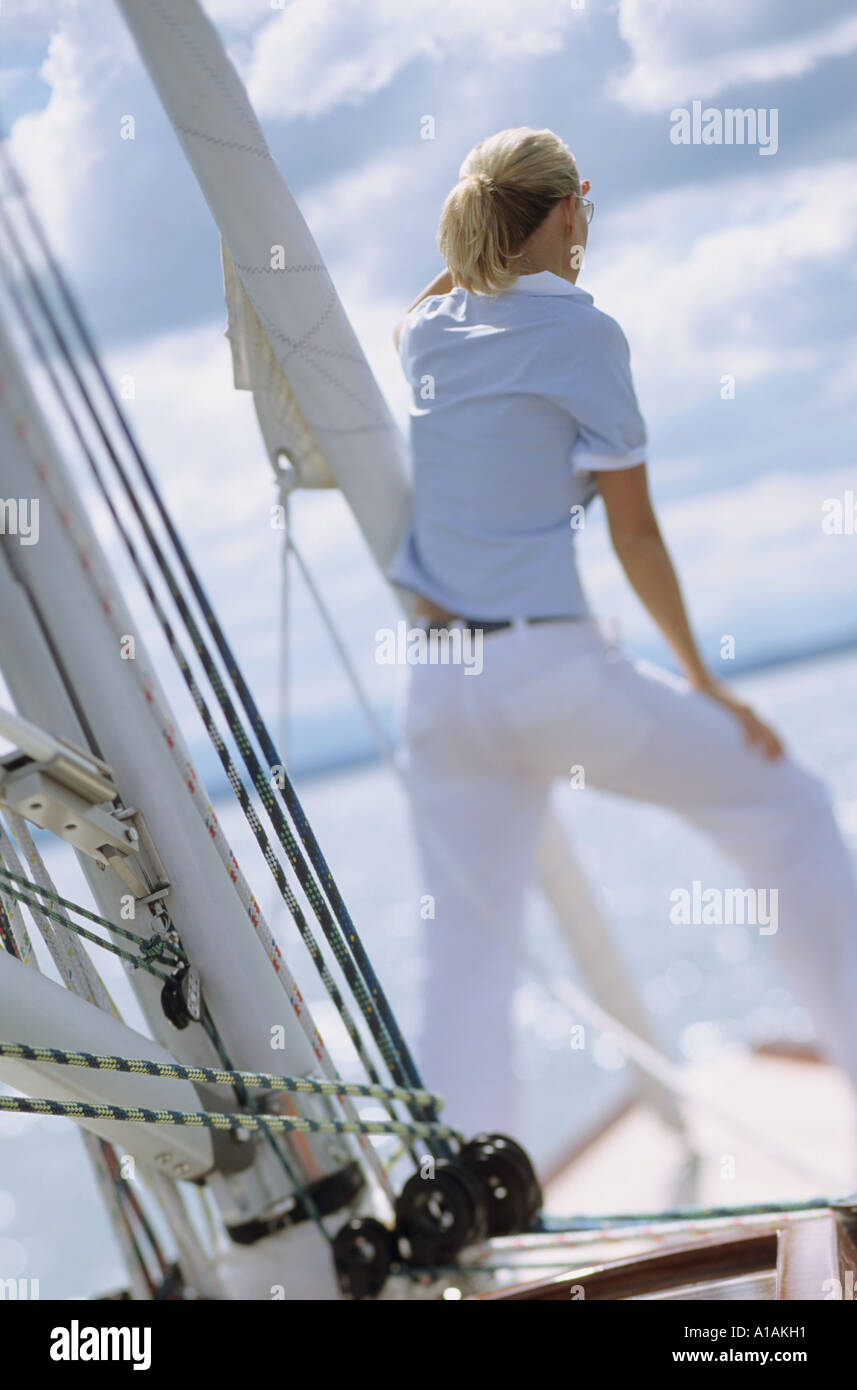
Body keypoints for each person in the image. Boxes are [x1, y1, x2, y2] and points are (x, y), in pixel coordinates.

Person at [389, 126, 857, 1142]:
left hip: (437, 690)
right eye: (577, 211)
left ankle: (474, 1196)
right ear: (571, 207)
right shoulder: (583, 335)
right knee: (787, 805)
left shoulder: (428, 335)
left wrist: (488, 217)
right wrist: (709, 686)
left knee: (463, 952)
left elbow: (426, 303)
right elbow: (636, 534)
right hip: (549, 673)